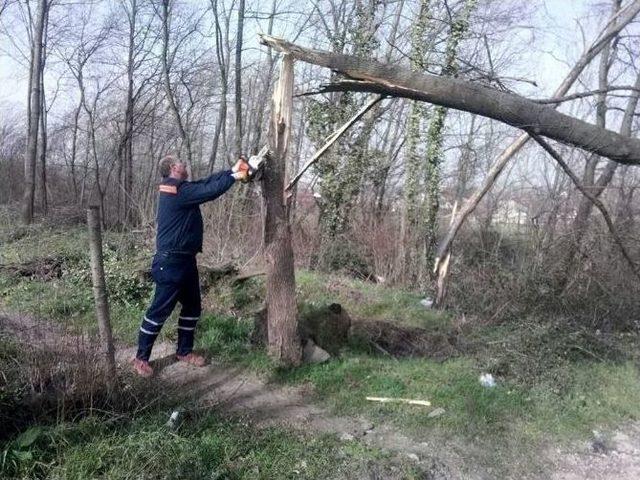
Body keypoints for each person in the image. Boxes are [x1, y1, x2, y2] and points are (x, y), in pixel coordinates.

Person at [132, 155, 250, 377]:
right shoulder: (174, 190)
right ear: (172, 168)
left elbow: (205, 183)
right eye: (181, 163)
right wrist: (235, 177)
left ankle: (184, 352)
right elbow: (209, 191)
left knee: (192, 308)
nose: (185, 164)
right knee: (158, 312)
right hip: (170, 263)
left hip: (186, 261)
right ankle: (141, 358)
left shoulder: (181, 188)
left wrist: (231, 170)